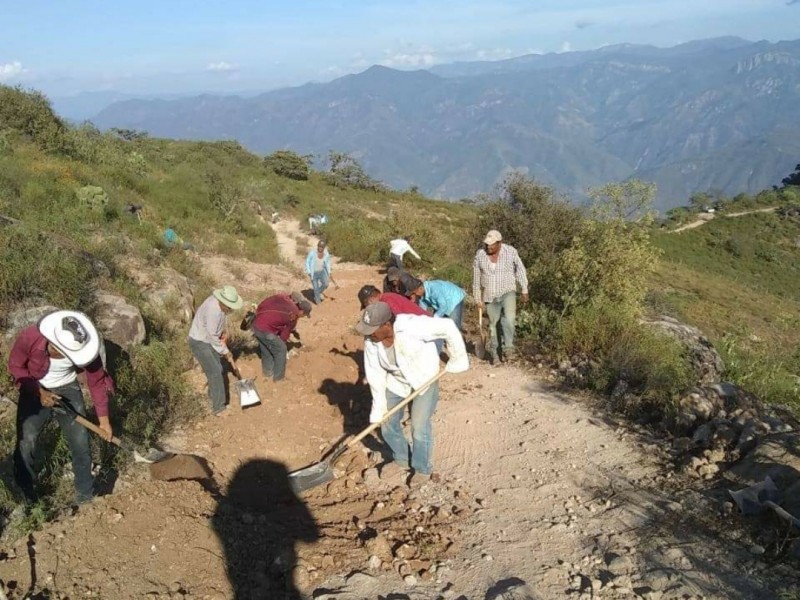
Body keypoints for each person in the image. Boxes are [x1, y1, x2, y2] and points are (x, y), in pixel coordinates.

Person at [8, 310, 115, 505]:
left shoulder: (85, 350)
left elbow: (97, 382)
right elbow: (16, 367)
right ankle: (27, 499)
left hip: (67, 388)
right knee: (27, 442)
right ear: (52, 341)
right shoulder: (31, 337)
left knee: (81, 442)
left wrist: (104, 421)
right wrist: (39, 392)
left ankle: (85, 497)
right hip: (33, 386)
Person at [356, 302, 468, 486]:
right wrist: (379, 406)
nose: (369, 334)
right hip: (397, 381)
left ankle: (421, 468)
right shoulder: (371, 341)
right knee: (387, 422)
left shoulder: (412, 326)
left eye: (372, 330)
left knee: (419, 425)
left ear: (386, 324)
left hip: (424, 378)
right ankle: (401, 459)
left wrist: (457, 358)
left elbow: (448, 326)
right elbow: (374, 372)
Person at [472, 229, 529, 363]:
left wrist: (524, 288)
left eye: (492, 244)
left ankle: (508, 348)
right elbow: (476, 277)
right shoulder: (480, 255)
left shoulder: (510, 252)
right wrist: (477, 298)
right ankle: (495, 353)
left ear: (500, 243)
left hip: (507, 291)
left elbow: (520, 269)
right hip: (490, 295)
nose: (488, 247)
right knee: (493, 325)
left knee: (509, 319)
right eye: (487, 244)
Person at [188, 286, 243, 415]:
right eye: (229, 307)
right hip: (200, 341)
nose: (230, 309)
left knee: (217, 367)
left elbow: (216, 329)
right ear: (223, 302)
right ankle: (218, 408)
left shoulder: (218, 304)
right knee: (216, 372)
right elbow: (212, 335)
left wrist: (222, 333)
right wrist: (225, 351)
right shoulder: (214, 310)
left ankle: (212, 396)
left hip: (208, 339)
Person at [248, 292, 312, 382]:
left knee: (266, 349)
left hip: (256, 325)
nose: (303, 317)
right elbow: (283, 337)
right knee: (281, 349)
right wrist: (282, 345)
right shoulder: (294, 315)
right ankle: (279, 378)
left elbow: (263, 304)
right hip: (266, 329)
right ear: (301, 311)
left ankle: (267, 373)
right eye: (304, 315)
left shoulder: (282, 298)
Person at [400, 274, 467, 330]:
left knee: (453, 326)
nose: (415, 295)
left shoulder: (434, 290)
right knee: (440, 325)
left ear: (420, 289)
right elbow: (422, 309)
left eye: (414, 293)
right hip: (441, 303)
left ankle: (454, 343)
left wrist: (435, 318)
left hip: (454, 298)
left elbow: (444, 306)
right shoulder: (421, 295)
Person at [357, 284, 428, 316]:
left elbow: (400, 319)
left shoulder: (387, 301)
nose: (369, 309)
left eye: (367, 306)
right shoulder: (387, 297)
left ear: (371, 300)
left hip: (426, 325)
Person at [305, 240, 332, 305]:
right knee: (316, 288)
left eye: (322, 247)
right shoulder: (312, 253)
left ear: (324, 247)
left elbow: (328, 263)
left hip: (322, 271)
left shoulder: (326, 253)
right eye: (319, 246)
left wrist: (329, 272)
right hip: (313, 273)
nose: (320, 248)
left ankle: (317, 293)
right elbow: (307, 262)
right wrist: (308, 271)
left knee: (326, 284)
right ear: (317, 246)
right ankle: (318, 303)